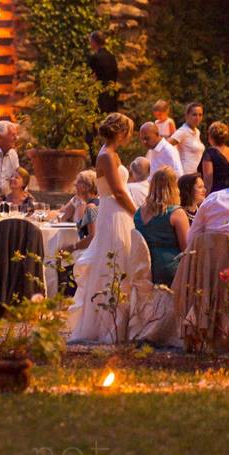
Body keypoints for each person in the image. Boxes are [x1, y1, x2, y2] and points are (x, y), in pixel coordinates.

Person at [69, 113, 138, 343]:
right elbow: (118, 191)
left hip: (120, 212)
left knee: (124, 260)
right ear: (121, 132)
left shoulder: (113, 154)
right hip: (114, 212)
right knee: (114, 262)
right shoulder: (106, 155)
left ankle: (127, 322)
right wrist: (137, 213)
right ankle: (109, 323)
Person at [135, 167, 190, 286]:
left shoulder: (139, 213)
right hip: (169, 269)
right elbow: (186, 249)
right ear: (174, 187)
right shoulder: (176, 213)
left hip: (143, 268)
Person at [59, 170, 99, 253]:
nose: (75, 184)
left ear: (87, 187)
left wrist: (71, 248)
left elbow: (93, 236)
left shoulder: (91, 207)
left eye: (78, 182)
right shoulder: (97, 202)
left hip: (92, 253)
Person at [168, 102, 205, 176]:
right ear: (187, 115)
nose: (197, 117)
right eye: (194, 115)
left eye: (200, 115)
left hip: (196, 173)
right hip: (186, 173)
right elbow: (166, 146)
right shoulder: (182, 131)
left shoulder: (197, 132)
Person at [86, 31, 117, 114]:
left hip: (100, 97)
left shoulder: (95, 58)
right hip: (112, 95)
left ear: (93, 42)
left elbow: (91, 78)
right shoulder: (112, 57)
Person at [200, 121, 229, 194]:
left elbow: (208, 180)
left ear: (210, 136)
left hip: (216, 192)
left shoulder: (209, 153)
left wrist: (206, 197)